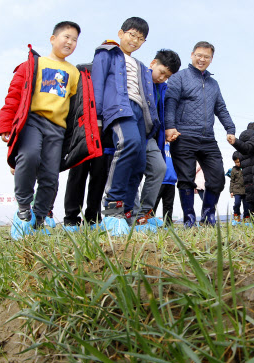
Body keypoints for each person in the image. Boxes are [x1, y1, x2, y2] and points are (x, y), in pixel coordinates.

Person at [0, 21, 101, 239]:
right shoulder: (33, 64)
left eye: (74, 40)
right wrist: (6, 125)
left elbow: (77, 107)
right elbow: (15, 95)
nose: (70, 42)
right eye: (66, 37)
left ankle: (39, 217)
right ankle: (24, 209)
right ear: (53, 38)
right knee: (29, 155)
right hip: (33, 121)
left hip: (58, 128)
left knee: (50, 176)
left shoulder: (73, 73)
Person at [92, 17, 160, 236]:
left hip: (140, 113)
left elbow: (148, 96)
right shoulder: (107, 53)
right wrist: (98, 117)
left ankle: (128, 214)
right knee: (128, 143)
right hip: (119, 107)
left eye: (140, 38)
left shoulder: (140, 66)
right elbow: (98, 84)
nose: (135, 40)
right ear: (121, 33)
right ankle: (113, 208)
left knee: (139, 163)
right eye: (132, 34)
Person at [165, 41, 236, 227]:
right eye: (199, 55)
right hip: (183, 136)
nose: (202, 59)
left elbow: (220, 107)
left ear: (211, 59)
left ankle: (208, 215)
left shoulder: (214, 84)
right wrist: (169, 126)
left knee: (218, 178)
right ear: (192, 55)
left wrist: (230, 129)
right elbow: (170, 102)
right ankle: (189, 218)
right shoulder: (179, 78)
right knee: (186, 179)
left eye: (206, 57)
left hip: (207, 138)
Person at [132, 49, 181, 231]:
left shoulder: (163, 88)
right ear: (153, 63)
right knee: (134, 173)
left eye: (167, 76)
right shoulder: (137, 77)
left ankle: (144, 213)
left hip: (151, 136)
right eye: (162, 72)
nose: (162, 78)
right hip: (133, 132)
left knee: (159, 168)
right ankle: (131, 212)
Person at [153, 141, 177, 226]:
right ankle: (149, 223)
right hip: (159, 181)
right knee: (153, 204)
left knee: (169, 205)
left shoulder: (174, 148)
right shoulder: (157, 146)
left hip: (171, 182)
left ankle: (168, 225)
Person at [229, 151, 248, 223]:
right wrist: (231, 191)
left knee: (246, 205)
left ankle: (246, 217)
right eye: (236, 162)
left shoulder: (246, 168)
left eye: (239, 162)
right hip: (237, 190)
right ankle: (236, 215)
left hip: (246, 190)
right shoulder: (233, 170)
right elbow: (232, 181)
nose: (238, 164)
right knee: (237, 203)